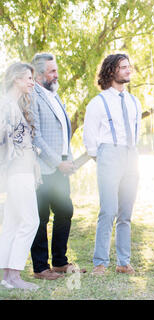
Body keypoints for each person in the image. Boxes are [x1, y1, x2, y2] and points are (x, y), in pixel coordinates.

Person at [83, 53, 142, 275]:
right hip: (109, 154)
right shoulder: (98, 102)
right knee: (108, 211)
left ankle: (123, 262)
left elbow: (135, 132)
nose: (128, 70)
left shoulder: (133, 101)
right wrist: (102, 158)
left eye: (129, 67)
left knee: (125, 213)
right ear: (111, 71)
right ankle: (100, 262)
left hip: (131, 156)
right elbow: (89, 136)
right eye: (123, 67)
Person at [30, 53, 78, 280]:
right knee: (40, 217)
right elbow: (36, 137)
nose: (56, 75)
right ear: (39, 75)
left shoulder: (55, 96)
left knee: (65, 210)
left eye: (56, 70)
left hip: (60, 168)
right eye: (52, 71)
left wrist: (69, 159)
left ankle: (59, 262)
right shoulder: (33, 96)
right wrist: (57, 162)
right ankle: (40, 267)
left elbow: (62, 133)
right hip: (43, 168)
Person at [0, 62, 40, 290]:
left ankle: (7, 276)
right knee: (30, 221)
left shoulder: (13, 104)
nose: (31, 82)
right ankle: (14, 275)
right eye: (28, 78)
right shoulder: (6, 105)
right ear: (16, 79)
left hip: (21, 171)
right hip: (18, 171)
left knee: (13, 223)